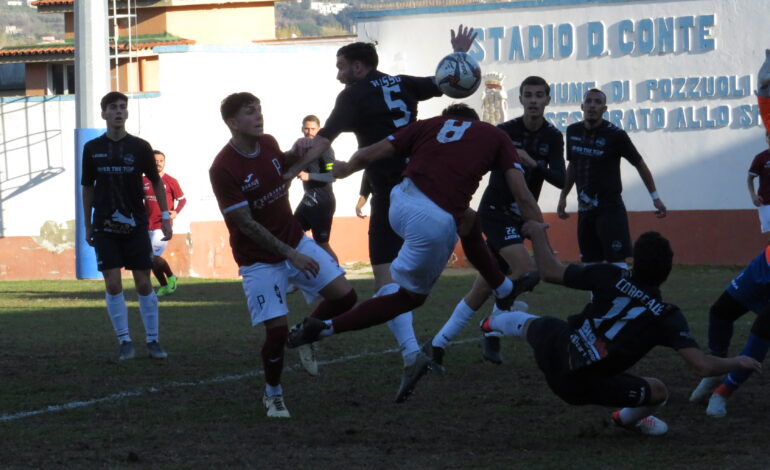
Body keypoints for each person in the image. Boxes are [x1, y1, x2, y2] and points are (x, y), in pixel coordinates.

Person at [288, 103, 543, 402]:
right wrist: (539, 233)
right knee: (409, 298)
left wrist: (344, 170)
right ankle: (324, 328)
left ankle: (502, 288)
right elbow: (522, 193)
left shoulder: (430, 125)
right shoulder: (493, 134)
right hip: (432, 220)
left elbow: (370, 153)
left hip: (400, 200)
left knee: (470, 220)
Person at [282, 26, 477, 385]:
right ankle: (502, 281)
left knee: (387, 281)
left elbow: (324, 138)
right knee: (466, 236)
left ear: (359, 68)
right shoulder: (402, 83)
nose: (338, 74)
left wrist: (288, 170)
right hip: (427, 186)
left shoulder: (353, 95)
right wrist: (460, 55)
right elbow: (447, 81)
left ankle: (409, 353)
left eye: (341, 66)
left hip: (392, 194)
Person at [480, 222, 761, 436]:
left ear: (634, 261)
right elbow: (702, 366)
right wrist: (739, 361)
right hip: (580, 387)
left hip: (558, 348)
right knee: (659, 391)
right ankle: (626, 419)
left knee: (536, 324)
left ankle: (492, 322)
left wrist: (538, 233)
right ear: (667, 271)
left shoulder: (610, 275)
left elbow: (551, 272)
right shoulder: (666, 315)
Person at [208, 92, 357, 418]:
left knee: (345, 298)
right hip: (258, 258)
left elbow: (281, 165)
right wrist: (291, 254)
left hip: (293, 240)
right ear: (233, 123)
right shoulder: (223, 168)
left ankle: (306, 332)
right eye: (250, 112)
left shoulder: (269, 142)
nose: (258, 116)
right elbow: (245, 223)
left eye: (259, 110)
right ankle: (273, 394)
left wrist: (296, 152)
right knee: (275, 332)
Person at [426, 75, 564, 366]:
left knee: (483, 288)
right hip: (495, 213)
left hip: (519, 215)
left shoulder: (553, 136)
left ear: (548, 100)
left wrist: (533, 163)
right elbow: (476, 163)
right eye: (529, 95)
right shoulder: (504, 132)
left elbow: (561, 179)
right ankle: (492, 327)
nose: (534, 101)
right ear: (521, 100)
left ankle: (437, 344)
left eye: (540, 95)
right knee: (525, 268)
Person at [81, 91, 172, 361]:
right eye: (113, 107)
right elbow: (87, 187)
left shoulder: (141, 147)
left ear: (127, 113)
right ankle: (125, 341)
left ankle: (153, 340)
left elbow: (156, 181)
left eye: (123, 107)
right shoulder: (92, 148)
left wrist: (165, 216)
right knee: (112, 283)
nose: (119, 111)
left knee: (144, 283)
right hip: (105, 225)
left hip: (135, 225)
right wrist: (87, 224)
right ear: (104, 114)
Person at [557, 89, 666, 268]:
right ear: (582, 106)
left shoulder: (616, 135)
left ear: (604, 108)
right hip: (585, 209)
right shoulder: (573, 131)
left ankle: (621, 297)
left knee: (617, 262)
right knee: (590, 263)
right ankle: (596, 298)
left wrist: (655, 197)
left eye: (597, 102)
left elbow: (639, 164)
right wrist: (563, 197)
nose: (592, 106)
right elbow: (573, 166)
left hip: (610, 209)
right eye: (589, 101)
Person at [687, 245, 770, 417]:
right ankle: (717, 367)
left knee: (762, 330)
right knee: (720, 312)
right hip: (765, 264)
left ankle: (724, 391)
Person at [293, 115, 339, 262]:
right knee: (292, 234)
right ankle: (300, 279)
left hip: (323, 202)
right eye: (306, 128)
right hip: (308, 199)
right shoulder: (302, 147)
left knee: (322, 244)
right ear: (302, 129)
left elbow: (332, 176)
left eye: (313, 129)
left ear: (319, 129)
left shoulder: (325, 148)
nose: (309, 132)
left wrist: (309, 176)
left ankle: (339, 278)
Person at [143, 150, 186, 296]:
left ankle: (171, 276)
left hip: (162, 226)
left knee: (152, 257)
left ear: (164, 162)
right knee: (149, 259)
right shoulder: (144, 181)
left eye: (161, 161)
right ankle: (165, 286)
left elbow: (182, 199)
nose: (158, 164)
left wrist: (176, 212)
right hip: (146, 225)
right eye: (155, 161)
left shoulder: (170, 181)